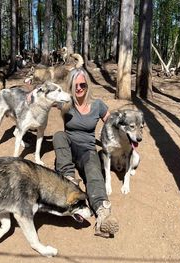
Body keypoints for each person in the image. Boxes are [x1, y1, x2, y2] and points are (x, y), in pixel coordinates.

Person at [53, 68, 119, 238]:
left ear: (87, 85)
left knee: (94, 174)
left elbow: (112, 122)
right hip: (68, 147)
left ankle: (103, 216)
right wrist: (31, 95)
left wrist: (120, 140)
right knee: (59, 135)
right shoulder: (65, 102)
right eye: (76, 85)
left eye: (83, 84)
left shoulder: (97, 105)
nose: (80, 88)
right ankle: (68, 181)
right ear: (71, 87)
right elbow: (44, 97)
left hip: (88, 150)